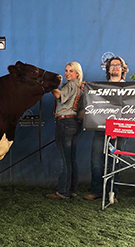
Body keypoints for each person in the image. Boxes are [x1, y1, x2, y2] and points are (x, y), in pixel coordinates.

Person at [84, 56, 129, 202]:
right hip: (101, 129)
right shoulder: (100, 88)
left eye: (118, 65)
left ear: (123, 69)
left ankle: (112, 193)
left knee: (115, 161)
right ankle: (96, 191)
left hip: (120, 130)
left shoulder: (130, 89)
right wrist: (85, 88)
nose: (115, 68)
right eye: (112, 65)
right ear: (108, 69)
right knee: (96, 161)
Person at [46, 62, 84, 200]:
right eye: (66, 70)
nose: (67, 73)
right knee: (71, 159)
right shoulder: (81, 87)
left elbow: (59, 96)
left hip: (65, 122)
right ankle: (72, 189)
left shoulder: (71, 84)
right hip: (74, 122)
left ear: (77, 74)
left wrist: (49, 85)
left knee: (65, 160)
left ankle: (63, 192)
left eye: (71, 71)